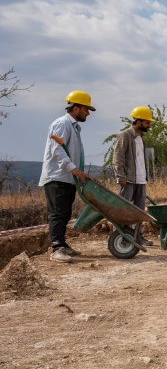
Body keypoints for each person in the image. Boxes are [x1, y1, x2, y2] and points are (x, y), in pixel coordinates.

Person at [38, 91, 96, 263]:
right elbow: (56, 150)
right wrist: (74, 170)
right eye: (86, 109)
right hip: (57, 177)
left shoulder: (73, 127)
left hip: (68, 178)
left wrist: (77, 172)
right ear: (76, 107)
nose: (88, 113)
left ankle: (62, 244)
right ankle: (56, 248)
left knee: (64, 213)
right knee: (57, 213)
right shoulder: (62, 124)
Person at [112, 106, 154, 245]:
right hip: (128, 180)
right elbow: (118, 157)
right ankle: (119, 237)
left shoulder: (141, 138)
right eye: (147, 122)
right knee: (123, 210)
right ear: (139, 121)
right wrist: (120, 176)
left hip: (140, 180)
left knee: (139, 211)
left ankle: (137, 236)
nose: (149, 125)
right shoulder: (125, 135)